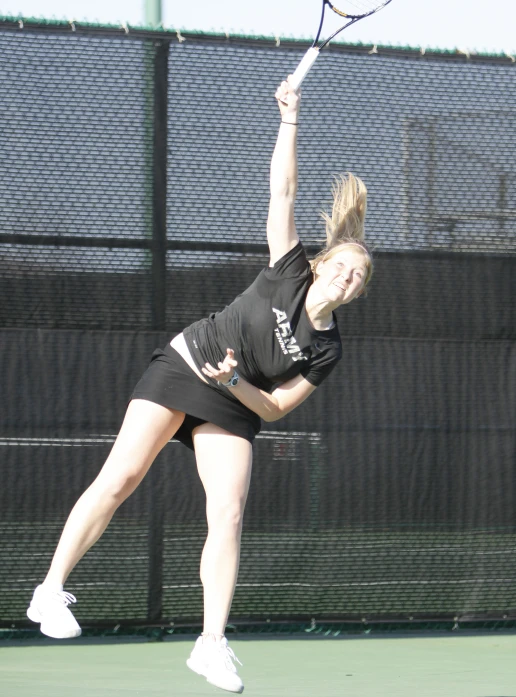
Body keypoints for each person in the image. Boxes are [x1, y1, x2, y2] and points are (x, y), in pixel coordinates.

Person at [27, 78, 373, 694]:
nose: (346, 277)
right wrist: (290, 119)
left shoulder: (327, 348)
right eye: (342, 265)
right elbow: (284, 189)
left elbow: (273, 407)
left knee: (229, 512)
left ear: (357, 293)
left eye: (357, 277)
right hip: (186, 365)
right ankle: (50, 591)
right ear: (321, 265)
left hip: (233, 396)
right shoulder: (289, 267)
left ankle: (211, 645)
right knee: (122, 477)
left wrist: (236, 379)